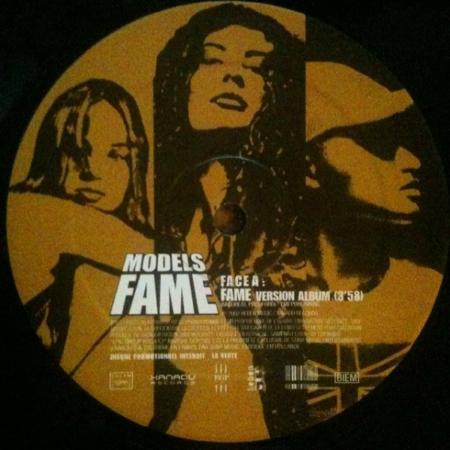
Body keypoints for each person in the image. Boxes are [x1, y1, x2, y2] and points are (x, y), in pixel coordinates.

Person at [152, 3, 307, 440]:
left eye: (255, 67)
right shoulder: (141, 192)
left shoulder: (294, 208)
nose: (233, 76)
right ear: (181, 79)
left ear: (274, 92)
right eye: (213, 59)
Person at [271, 63, 447, 423]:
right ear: (308, 167)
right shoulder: (255, 308)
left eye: (403, 140)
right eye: (378, 143)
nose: (411, 161)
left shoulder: (426, 289)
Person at [7, 78, 166, 425]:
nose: (92, 171)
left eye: (116, 154)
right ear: (51, 155)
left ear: (134, 165)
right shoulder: (23, 213)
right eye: (77, 152)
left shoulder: (135, 258)